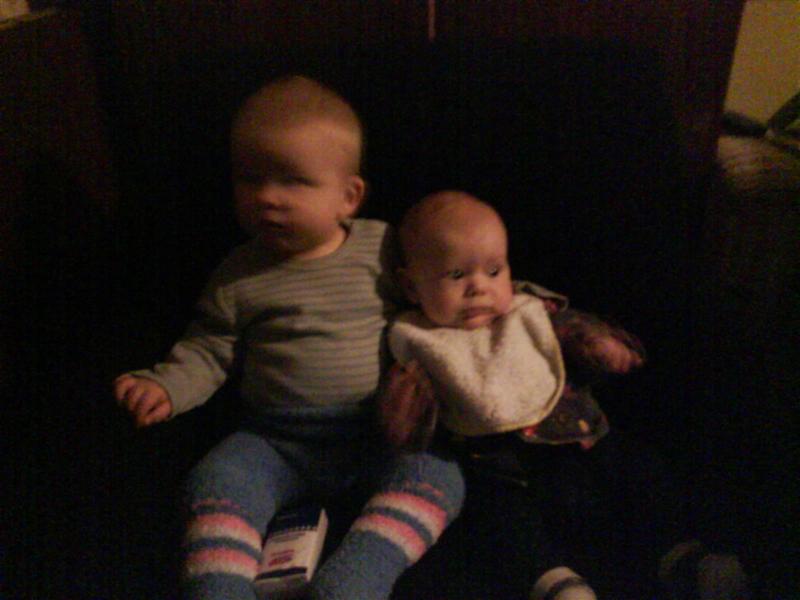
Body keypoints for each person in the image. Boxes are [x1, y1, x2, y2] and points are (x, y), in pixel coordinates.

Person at [113, 75, 464, 600]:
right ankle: (220, 589)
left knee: (439, 476)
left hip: (377, 431)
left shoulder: (384, 249)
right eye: (249, 179)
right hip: (276, 441)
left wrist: (511, 301)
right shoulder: (237, 275)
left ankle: (357, 577)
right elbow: (208, 348)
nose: (267, 198)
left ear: (349, 196)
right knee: (214, 481)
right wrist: (165, 386)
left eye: (293, 181)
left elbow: (446, 283)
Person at [381, 190, 750, 599]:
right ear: (411, 285)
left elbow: (573, 330)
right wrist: (401, 422)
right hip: (502, 471)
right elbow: (414, 419)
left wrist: (602, 346)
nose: (479, 287)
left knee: (644, 472)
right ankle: (555, 582)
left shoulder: (527, 312)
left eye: (494, 270)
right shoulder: (421, 343)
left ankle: (682, 556)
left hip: (586, 441)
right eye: (456, 275)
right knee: (496, 520)